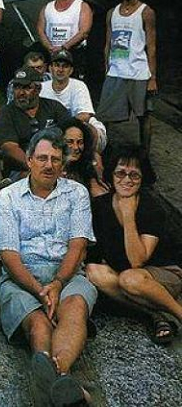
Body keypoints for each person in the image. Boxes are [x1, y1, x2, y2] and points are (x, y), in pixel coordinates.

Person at [0, 129, 97, 407]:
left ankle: (56, 377)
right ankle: (65, 385)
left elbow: (78, 246)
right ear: (29, 160)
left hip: (67, 273)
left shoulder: (77, 193)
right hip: (21, 277)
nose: (49, 165)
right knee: (38, 323)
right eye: (42, 158)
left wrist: (58, 284)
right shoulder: (7, 197)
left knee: (75, 307)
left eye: (56, 159)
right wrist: (40, 290)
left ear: (63, 163)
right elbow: (8, 256)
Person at [87, 146, 182, 344]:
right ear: (111, 175)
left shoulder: (152, 207)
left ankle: (178, 312)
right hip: (125, 274)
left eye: (134, 175)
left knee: (130, 279)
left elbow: (137, 260)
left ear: (142, 178)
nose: (127, 180)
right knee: (94, 271)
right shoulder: (101, 205)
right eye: (120, 173)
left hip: (163, 273)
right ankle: (154, 315)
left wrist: (129, 215)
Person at [97, 0, 157, 151]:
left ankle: (144, 155)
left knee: (143, 116)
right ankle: (103, 151)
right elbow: (108, 43)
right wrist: (107, 68)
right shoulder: (112, 13)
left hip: (139, 73)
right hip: (116, 72)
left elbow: (152, 47)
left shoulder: (146, 12)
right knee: (104, 115)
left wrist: (152, 78)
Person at [0, 66, 71, 176]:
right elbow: (9, 147)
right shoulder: (6, 113)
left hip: (56, 164)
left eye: (26, 88)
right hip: (21, 169)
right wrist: (35, 167)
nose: (20, 93)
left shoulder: (54, 107)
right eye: (17, 87)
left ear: (38, 89)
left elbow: (72, 133)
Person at [40, 49, 107, 152]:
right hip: (50, 128)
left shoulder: (79, 85)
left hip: (78, 126)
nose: (60, 69)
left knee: (89, 129)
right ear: (50, 68)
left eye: (65, 66)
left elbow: (85, 115)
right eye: (57, 65)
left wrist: (60, 128)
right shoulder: (42, 88)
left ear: (71, 70)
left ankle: (92, 156)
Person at [36, 0, 93, 80]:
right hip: (51, 55)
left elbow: (84, 31)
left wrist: (65, 47)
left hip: (74, 55)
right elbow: (40, 30)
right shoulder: (47, 8)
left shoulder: (82, 6)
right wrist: (49, 47)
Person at [61, 117, 108, 198]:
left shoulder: (87, 170)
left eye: (80, 142)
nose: (76, 147)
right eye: (70, 142)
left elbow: (99, 194)